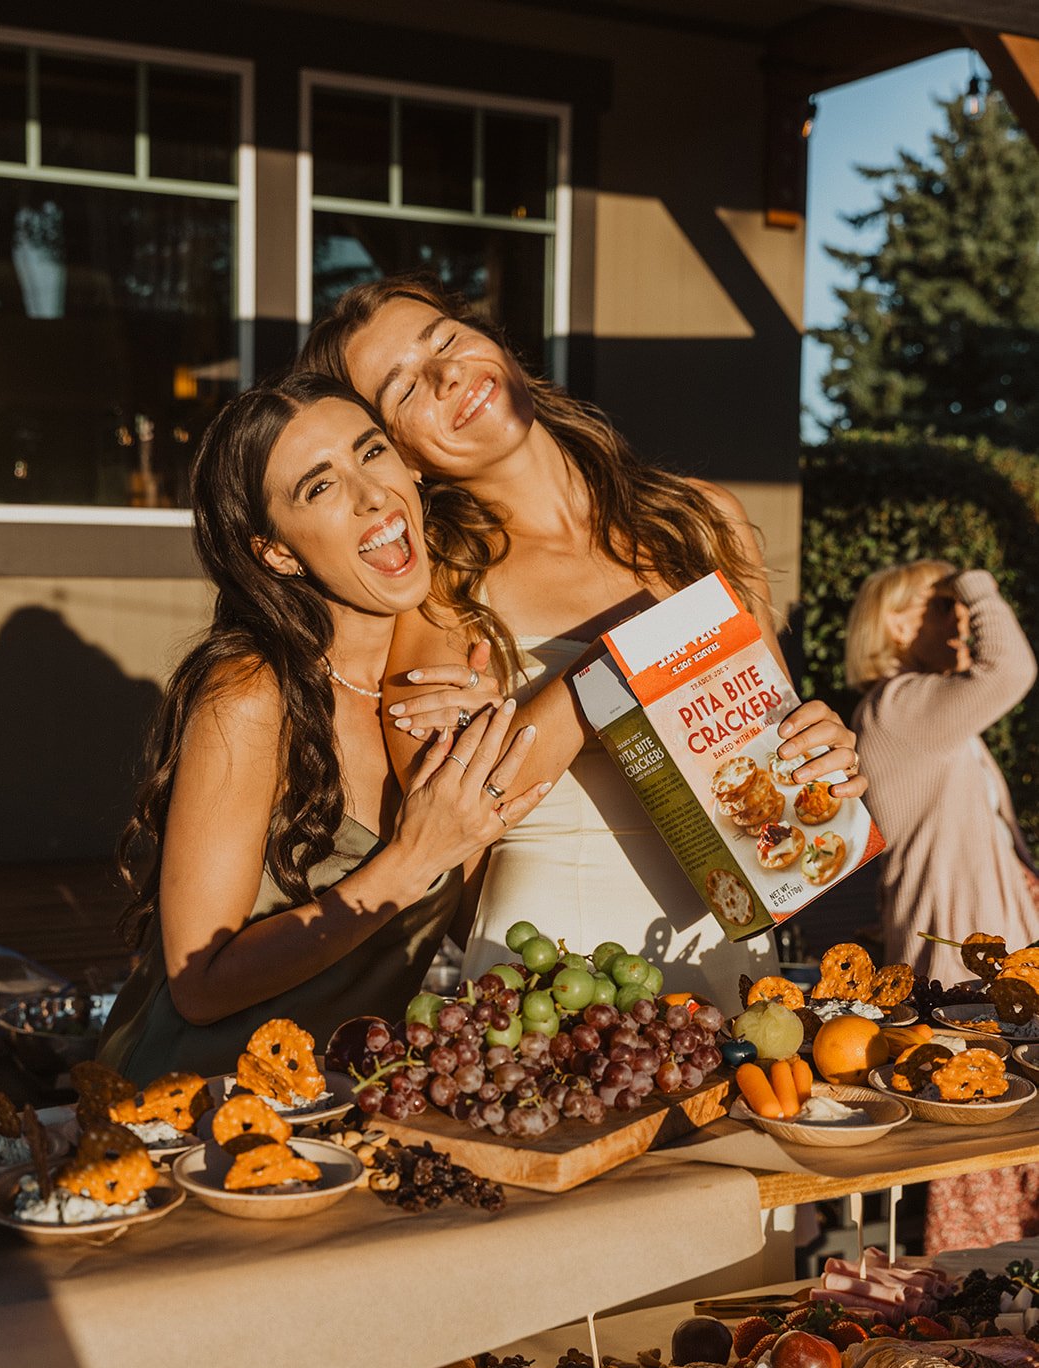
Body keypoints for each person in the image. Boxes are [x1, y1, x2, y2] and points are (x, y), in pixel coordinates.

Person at [301, 276, 866, 1007]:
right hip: (555, 978)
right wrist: (596, 684)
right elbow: (446, 844)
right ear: (399, 456)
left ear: (494, 343)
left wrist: (820, 749)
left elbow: (773, 763)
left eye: (445, 341)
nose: (446, 376)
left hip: (736, 961)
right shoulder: (437, 588)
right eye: (405, 389)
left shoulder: (704, 521)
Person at [100, 372, 548, 1083]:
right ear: (276, 553)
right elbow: (200, 984)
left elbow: (468, 919)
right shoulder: (251, 694)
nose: (371, 494)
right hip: (194, 1109)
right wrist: (407, 861)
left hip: (345, 1106)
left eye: (371, 453)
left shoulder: (453, 663)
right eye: (320, 486)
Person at [847, 560, 1038, 1252]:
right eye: (942, 605)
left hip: (993, 977)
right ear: (895, 624)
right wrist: (980, 580)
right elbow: (1011, 671)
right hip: (966, 986)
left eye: (961, 605)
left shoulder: (924, 711)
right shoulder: (901, 704)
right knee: (984, 1173)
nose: (961, 618)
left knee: (1010, 1166)